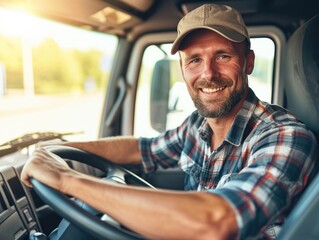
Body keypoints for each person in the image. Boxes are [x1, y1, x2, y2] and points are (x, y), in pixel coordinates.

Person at [21, 4, 318, 240]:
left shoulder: (286, 136)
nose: (208, 74)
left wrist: (68, 180)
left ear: (249, 62)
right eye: (194, 60)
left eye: (223, 56)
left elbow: (218, 223)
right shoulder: (197, 125)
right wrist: (54, 151)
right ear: (181, 68)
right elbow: (142, 149)